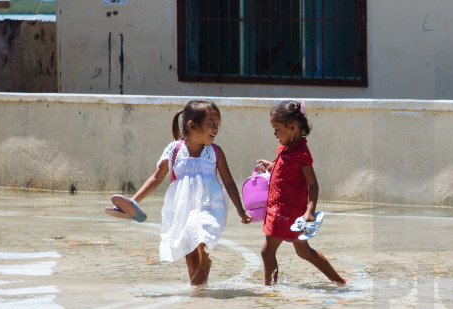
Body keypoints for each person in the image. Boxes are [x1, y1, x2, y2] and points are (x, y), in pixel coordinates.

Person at [126, 100, 251, 286]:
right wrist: (133, 201)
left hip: (208, 205)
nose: (216, 129)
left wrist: (240, 209)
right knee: (189, 254)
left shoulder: (215, 152)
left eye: (218, 125)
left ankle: (205, 261)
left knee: (200, 227)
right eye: (211, 124)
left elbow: (229, 181)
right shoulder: (174, 150)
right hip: (182, 206)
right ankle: (199, 294)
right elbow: (156, 178)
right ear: (192, 126)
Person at [256, 100, 347, 286]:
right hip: (284, 209)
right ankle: (339, 281)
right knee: (303, 251)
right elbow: (285, 169)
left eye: (276, 128)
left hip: (285, 211)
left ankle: (270, 289)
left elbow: (313, 184)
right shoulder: (288, 147)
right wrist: (272, 167)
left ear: (292, 126)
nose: (274, 133)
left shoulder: (300, 152)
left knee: (267, 251)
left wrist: (310, 211)